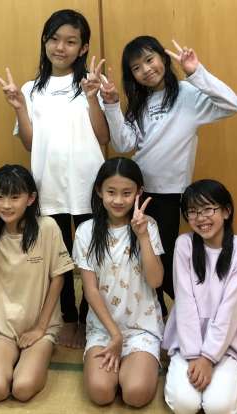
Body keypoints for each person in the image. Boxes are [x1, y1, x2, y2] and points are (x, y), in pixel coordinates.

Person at [0, 9, 109, 348]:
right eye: (54, 39)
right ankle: (68, 317)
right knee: (58, 257)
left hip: (89, 184)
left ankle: (90, 316)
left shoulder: (92, 83)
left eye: (71, 41)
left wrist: (93, 98)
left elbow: (104, 137)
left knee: (91, 254)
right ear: (44, 42)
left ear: (83, 48)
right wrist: (18, 106)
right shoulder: (31, 89)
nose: (61, 47)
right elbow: (30, 143)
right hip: (48, 185)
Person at [100, 36, 237, 315]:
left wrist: (196, 72)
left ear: (163, 58)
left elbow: (232, 104)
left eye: (149, 59)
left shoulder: (188, 93)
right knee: (144, 254)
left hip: (171, 192)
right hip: (139, 192)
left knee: (162, 257)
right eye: (136, 67)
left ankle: (197, 311)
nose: (145, 69)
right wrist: (113, 105)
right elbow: (124, 144)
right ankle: (160, 314)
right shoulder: (139, 102)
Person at [0, 164, 74, 401]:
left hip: (40, 328)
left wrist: (40, 328)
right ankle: (20, 356)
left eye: (15, 197)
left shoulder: (47, 228)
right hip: (3, 330)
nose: (6, 205)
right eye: (0, 197)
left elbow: (58, 278)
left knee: (22, 388)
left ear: (30, 199)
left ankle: (40, 351)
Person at [73, 157, 164, 407]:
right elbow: (90, 291)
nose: (118, 200)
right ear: (99, 191)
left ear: (138, 193)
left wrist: (142, 236)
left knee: (136, 394)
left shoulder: (149, 226)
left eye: (127, 193)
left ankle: (138, 364)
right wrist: (114, 335)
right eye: (111, 192)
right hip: (104, 329)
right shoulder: (85, 231)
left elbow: (156, 280)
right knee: (100, 393)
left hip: (141, 327)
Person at [163, 179, 237, 414]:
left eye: (208, 209)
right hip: (186, 340)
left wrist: (208, 357)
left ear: (226, 211)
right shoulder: (184, 244)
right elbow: (185, 302)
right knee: (184, 404)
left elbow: (231, 308)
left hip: (227, 342)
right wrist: (194, 354)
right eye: (192, 211)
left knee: (218, 407)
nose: (200, 218)